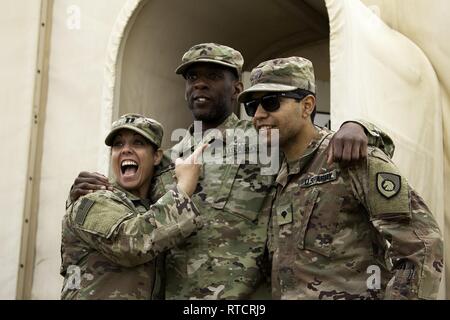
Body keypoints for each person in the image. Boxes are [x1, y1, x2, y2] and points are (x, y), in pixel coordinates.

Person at [68, 43, 395, 299]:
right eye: (192, 77)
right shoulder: (168, 159)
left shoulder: (265, 139)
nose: (200, 85)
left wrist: (360, 127)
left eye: (212, 76)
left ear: (237, 88)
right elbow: (133, 217)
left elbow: (323, 147)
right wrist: (87, 190)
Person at [238, 56, 443, 299]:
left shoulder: (351, 159)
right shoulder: (282, 175)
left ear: (307, 106)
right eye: (252, 106)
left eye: (271, 103)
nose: (258, 115)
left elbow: (421, 245)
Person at [61, 113, 205, 299]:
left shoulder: (152, 207)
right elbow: (131, 244)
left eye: (138, 143)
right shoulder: (92, 199)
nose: (125, 150)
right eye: (118, 144)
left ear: (157, 157)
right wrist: (184, 188)